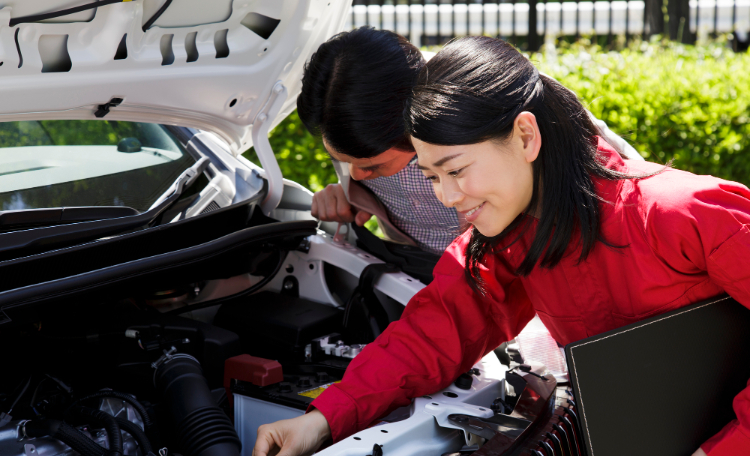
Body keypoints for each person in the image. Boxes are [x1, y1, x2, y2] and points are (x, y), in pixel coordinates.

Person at [253, 36, 750, 456]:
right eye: (429, 176)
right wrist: (321, 421)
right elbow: (431, 333)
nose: (446, 198)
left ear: (526, 136)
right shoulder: (501, 242)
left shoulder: (684, 211)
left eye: (455, 170)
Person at [298, 26, 641, 255]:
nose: (355, 176)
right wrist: (347, 199)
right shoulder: (356, 124)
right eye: (345, 162)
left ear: (411, 124)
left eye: (371, 165)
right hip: (433, 280)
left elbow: (621, 182)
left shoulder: (503, 96)